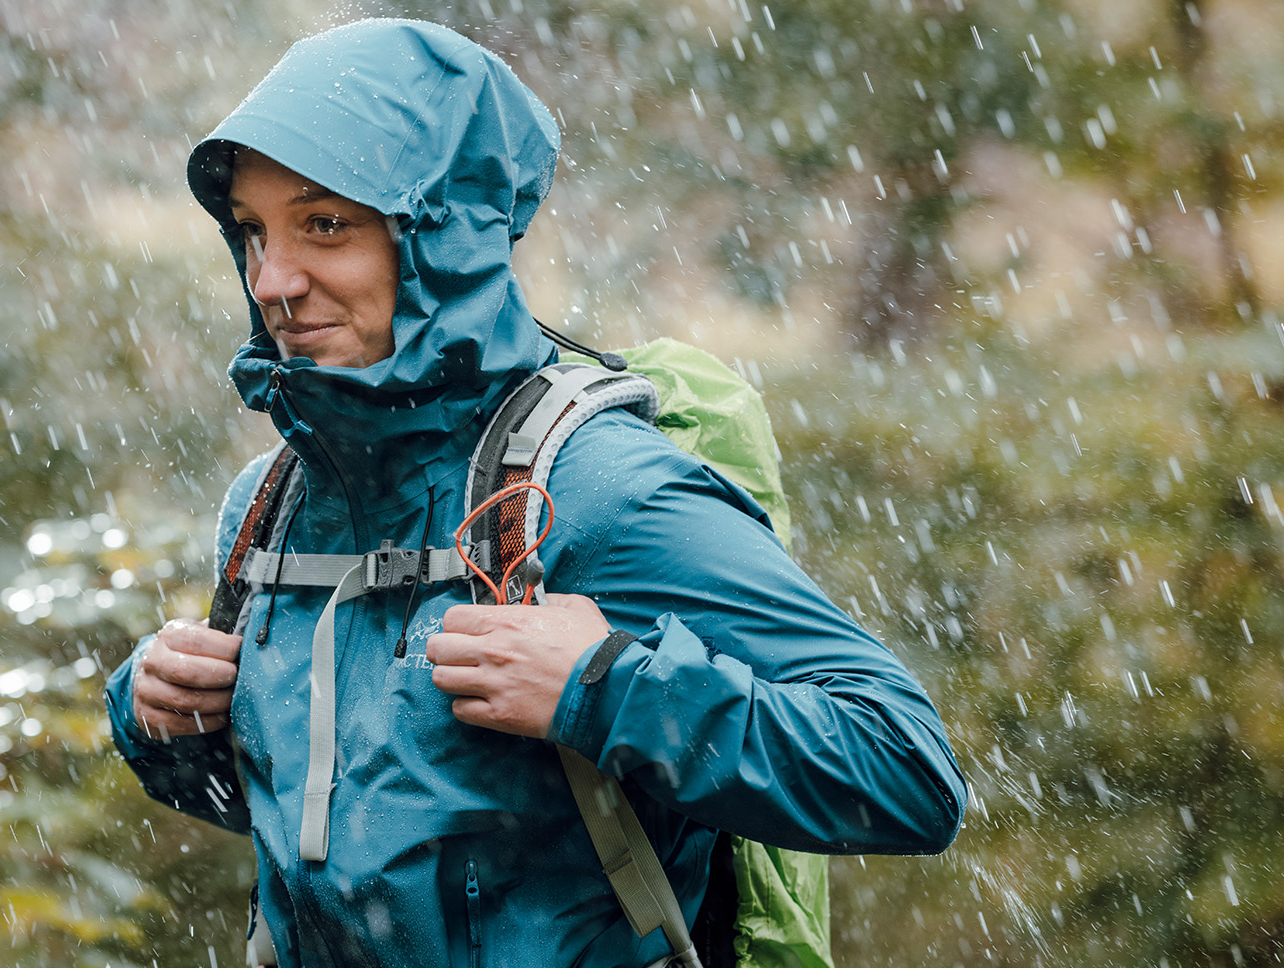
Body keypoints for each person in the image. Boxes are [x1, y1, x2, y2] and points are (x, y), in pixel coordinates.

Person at [105, 18, 966, 968]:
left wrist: (605, 690)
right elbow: (340, 838)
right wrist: (159, 727)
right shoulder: (269, 509)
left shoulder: (594, 488)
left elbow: (906, 772)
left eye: (325, 225)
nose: (275, 280)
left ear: (438, 231)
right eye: (253, 233)